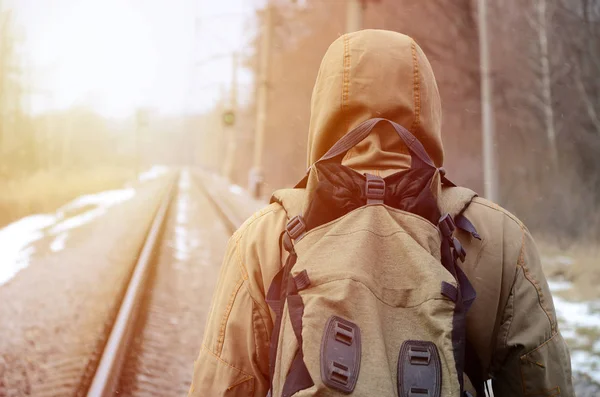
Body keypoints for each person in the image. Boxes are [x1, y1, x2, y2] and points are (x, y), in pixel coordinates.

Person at [188, 29, 573, 397]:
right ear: (430, 110)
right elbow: (542, 383)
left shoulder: (264, 238)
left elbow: (222, 384)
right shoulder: (499, 238)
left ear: (323, 110)